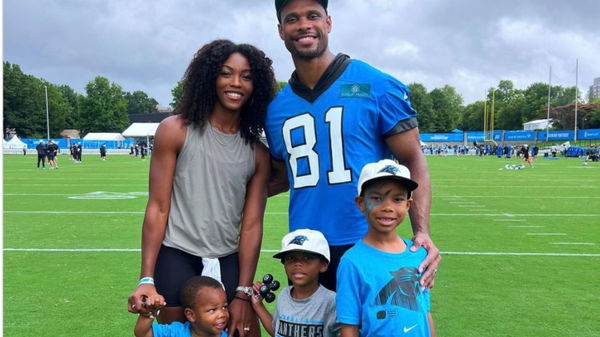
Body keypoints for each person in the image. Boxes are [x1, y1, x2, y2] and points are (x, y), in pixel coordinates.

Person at [265, 0, 440, 292]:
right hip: (305, 252)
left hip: (370, 243)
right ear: (281, 31)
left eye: (313, 15)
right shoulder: (275, 109)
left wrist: (421, 231)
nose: (304, 24)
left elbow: (413, 159)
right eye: (293, 19)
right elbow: (281, 177)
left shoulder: (375, 85)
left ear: (328, 23)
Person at [127, 39, 276, 337]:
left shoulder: (257, 153)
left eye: (246, 76)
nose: (236, 83)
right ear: (209, 78)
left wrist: (244, 290)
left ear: (256, 86)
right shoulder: (174, 130)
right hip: (177, 253)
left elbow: (251, 225)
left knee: (244, 331)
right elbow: (158, 207)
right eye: (226, 73)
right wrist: (146, 277)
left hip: (229, 256)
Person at [336, 159, 436, 337]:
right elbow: (349, 327)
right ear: (360, 203)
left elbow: (425, 313)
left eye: (397, 199)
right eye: (376, 198)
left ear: (408, 205)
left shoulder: (419, 254)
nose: (388, 207)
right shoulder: (352, 262)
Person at [250, 229, 339, 337]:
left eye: (307, 258)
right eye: (291, 258)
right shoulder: (284, 295)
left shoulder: (331, 301)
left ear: (323, 265)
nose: (298, 263)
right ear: (284, 265)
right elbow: (277, 331)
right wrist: (258, 304)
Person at [134, 275, 229, 337]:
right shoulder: (176, 332)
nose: (222, 314)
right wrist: (150, 311)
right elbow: (142, 333)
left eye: (224, 307)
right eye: (213, 310)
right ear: (191, 315)